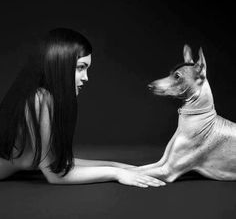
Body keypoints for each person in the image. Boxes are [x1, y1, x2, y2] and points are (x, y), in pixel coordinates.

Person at [0, 28, 164, 187]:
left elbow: (58, 162)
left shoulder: (38, 96)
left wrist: (117, 165)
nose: (86, 77)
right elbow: (55, 175)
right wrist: (116, 173)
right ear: (60, 65)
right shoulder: (40, 98)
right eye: (80, 67)